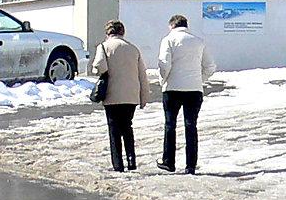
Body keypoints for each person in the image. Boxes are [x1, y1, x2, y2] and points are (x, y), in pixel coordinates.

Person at [156, 13, 215, 173]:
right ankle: (190, 165)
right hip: (194, 90)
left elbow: (164, 65)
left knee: (170, 125)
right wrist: (198, 79)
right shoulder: (199, 41)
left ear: (172, 25)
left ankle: (169, 161)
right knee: (191, 126)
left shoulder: (168, 40)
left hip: (173, 89)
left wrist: (163, 80)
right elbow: (210, 66)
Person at [91, 20, 151, 172]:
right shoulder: (133, 48)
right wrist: (144, 97)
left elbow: (99, 67)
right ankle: (131, 160)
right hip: (131, 96)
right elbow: (142, 75)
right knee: (127, 127)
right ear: (122, 32)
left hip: (112, 95)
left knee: (114, 130)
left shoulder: (104, 47)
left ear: (108, 33)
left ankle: (118, 164)